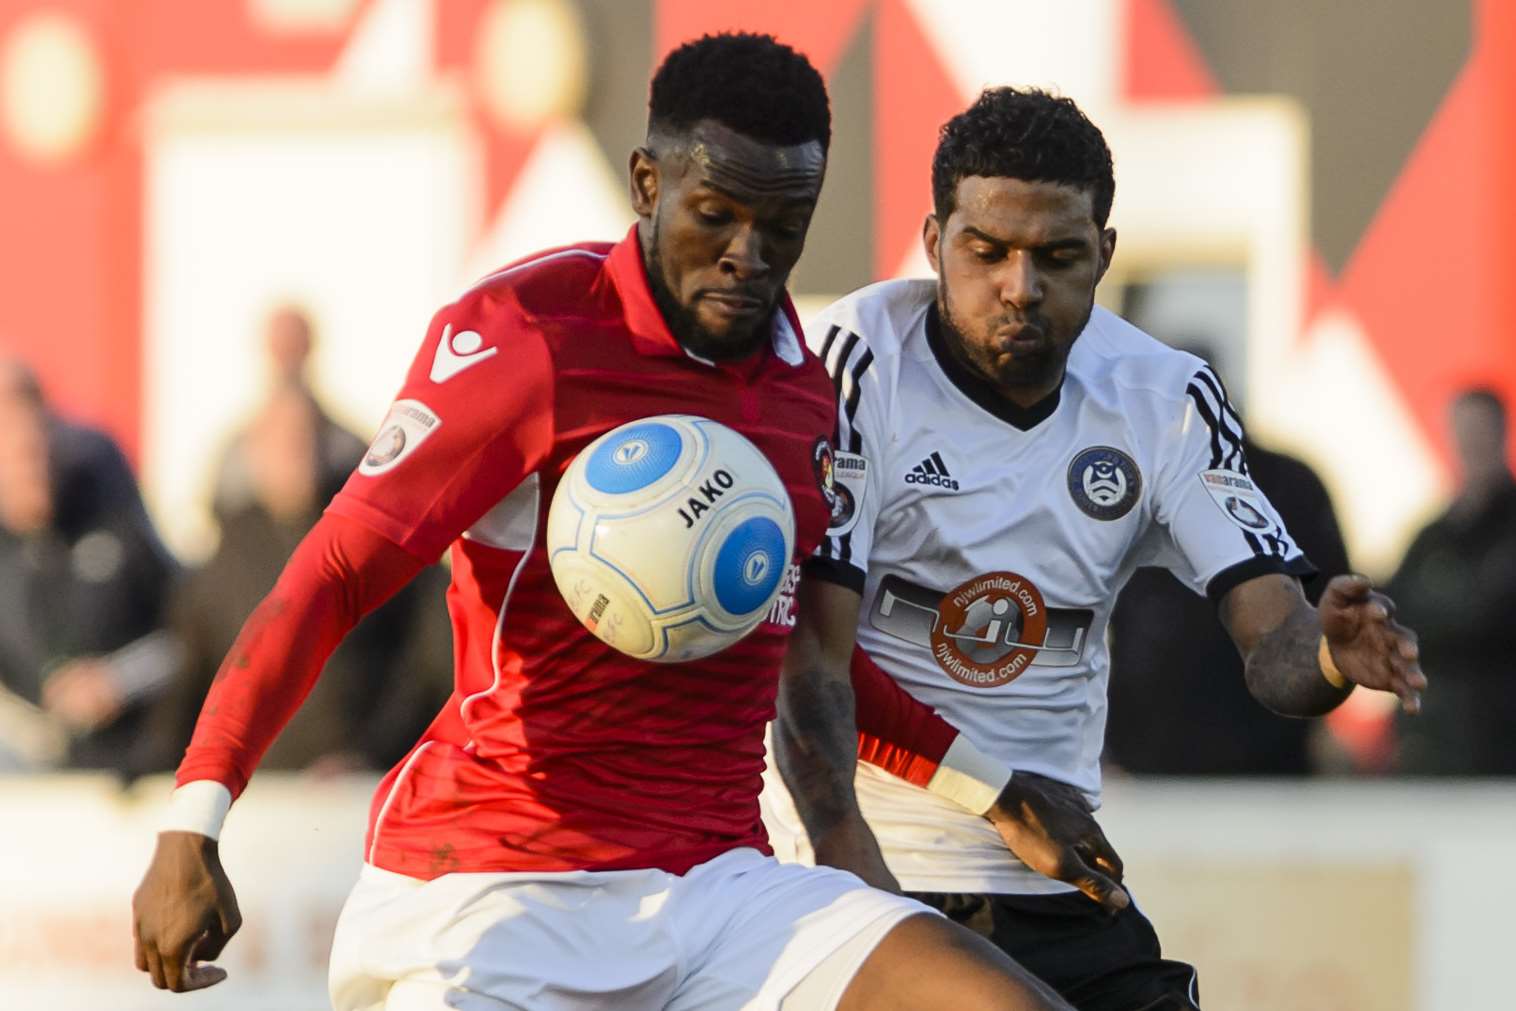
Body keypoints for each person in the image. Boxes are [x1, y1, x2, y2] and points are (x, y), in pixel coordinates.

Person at [131, 35, 1068, 1011]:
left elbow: (799, 653)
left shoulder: (800, 387)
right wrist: (194, 820)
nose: (749, 256)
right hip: (496, 888)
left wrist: (988, 788)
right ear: (646, 182)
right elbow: (332, 576)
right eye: (716, 216)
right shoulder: (526, 337)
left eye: (784, 226)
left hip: (719, 892)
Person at [762, 87, 1426, 1010]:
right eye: (985, 251)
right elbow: (806, 663)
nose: (1020, 286)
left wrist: (1324, 651)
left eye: (1058, 257)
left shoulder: (1162, 398)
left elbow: (1273, 645)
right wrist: (853, 877)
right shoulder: (854, 364)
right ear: (932, 241)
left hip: (1059, 868)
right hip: (875, 863)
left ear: (1105, 253)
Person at [128, 384, 453, 778]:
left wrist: (373, 754)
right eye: (278, 441)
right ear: (251, 454)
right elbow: (190, 672)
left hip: (362, 782)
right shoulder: (226, 556)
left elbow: (425, 661)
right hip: (262, 793)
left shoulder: (373, 537)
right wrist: (153, 767)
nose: (292, 451)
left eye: (303, 437)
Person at [1106, 349, 1353, 776]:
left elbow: (1329, 604)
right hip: (1152, 751)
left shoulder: (1288, 484)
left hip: (1267, 746)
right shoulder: (1120, 488)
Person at [0, 358, 178, 772]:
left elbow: (192, 633)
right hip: (28, 779)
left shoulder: (114, 524)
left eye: (40, 450)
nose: (34, 469)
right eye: (17, 456)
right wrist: (38, 718)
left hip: (133, 764)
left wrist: (118, 679)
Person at [1388, 387, 1516, 774]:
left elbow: (1488, 615)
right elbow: (1392, 614)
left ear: (1502, 433)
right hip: (1434, 743)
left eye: (1481, 430)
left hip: (1500, 744)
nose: (1471, 444)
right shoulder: (1432, 536)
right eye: (1464, 431)